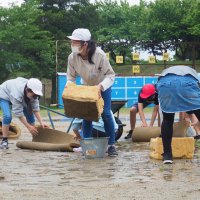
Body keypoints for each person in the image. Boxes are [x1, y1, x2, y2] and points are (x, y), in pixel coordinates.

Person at [66, 28, 117, 156]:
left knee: (105, 114)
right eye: (72, 42)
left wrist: (101, 87)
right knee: (86, 115)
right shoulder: (72, 57)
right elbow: (71, 77)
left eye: (76, 42)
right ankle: (86, 144)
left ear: (85, 44)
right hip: (87, 86)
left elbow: (110, 75)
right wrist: (70, 89)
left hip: (102, 86)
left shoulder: (100, 55)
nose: (73, 45)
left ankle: (111, 145)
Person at [156, 65, 200, 164]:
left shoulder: (166, 71)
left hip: (165, 85)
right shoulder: (194, 73)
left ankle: (167, 155)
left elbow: (157, 87)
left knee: (167, 119)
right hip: (187, 84)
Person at [0, 77, 48, 149]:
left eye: (36, 95)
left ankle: (35, 139)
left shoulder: (32, 93)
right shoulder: (16, 93)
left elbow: (35, 108)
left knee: (30, 114)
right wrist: (28, 127)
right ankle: (4, 141)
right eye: (34, 95)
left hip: (20, 95)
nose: (35, 97)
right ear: (28, 90)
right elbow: (18, 113)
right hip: (4, 95)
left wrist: (41, 122)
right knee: (7, 116)